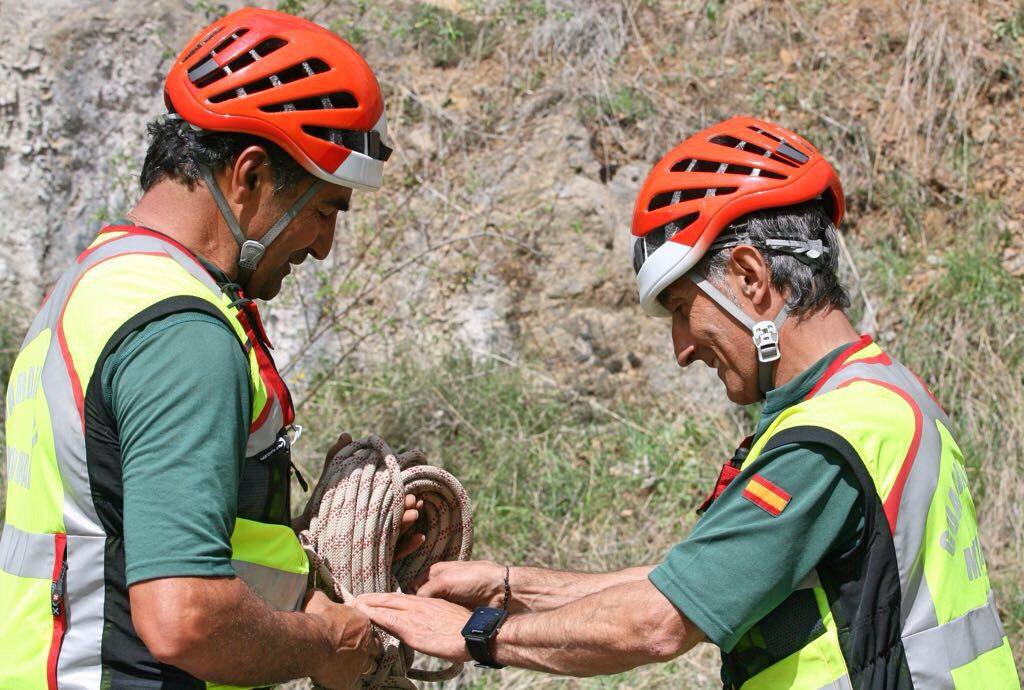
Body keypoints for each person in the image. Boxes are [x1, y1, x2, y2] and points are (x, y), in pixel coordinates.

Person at [354, 117, 1021, 688]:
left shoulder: (826, 440)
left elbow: (658, 621)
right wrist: (509, 585)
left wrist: (476, 633)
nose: (680, 348)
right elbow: (692, 581)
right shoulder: (879, 394)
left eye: (681, 309)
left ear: (752, 279)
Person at [0, 8, 421, 689]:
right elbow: (184, 617)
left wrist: (317, 553)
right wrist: (324, 642)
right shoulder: (182, 336)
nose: (322, 245)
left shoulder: (97, 285)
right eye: (324, 208)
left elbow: (130, 529)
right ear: (248, 176)